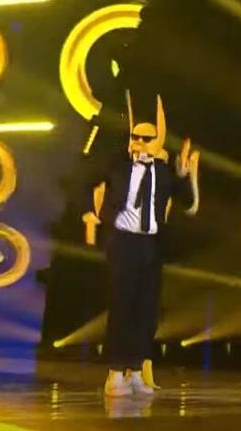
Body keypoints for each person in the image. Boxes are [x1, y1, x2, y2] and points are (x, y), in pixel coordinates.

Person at [82, 94, 200, 397]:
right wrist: (93, 214)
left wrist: (186, 175)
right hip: (123, 242)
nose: (140, 143)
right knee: (122, 306)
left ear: (156, 142)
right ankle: (115, 373)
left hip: (151, 245)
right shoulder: (118, 165)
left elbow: (187, 202)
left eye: (147, 138)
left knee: (146, 311)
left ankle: (135, 370)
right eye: (136, 137)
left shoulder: (164, 172)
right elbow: (86, 182)